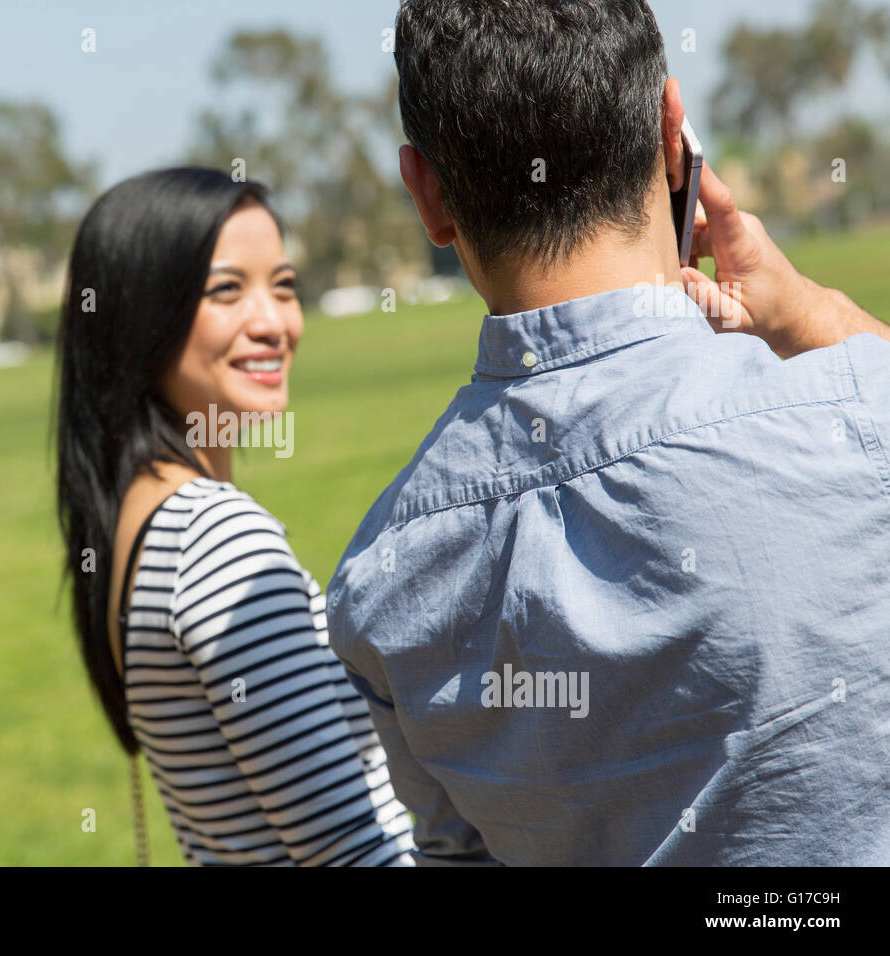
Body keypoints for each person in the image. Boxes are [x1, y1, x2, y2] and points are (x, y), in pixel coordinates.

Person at [326, 0, 890, 865]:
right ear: (675, 136)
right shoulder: (854, 410)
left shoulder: (379, 590)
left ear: (428, 197)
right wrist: (814, 312)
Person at [54, 167, 415, 865]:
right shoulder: (217, 541)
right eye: (227, 290)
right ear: (140, 317)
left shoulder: (134, 519)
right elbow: (351, 851)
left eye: (283, 286)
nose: (273, 323)